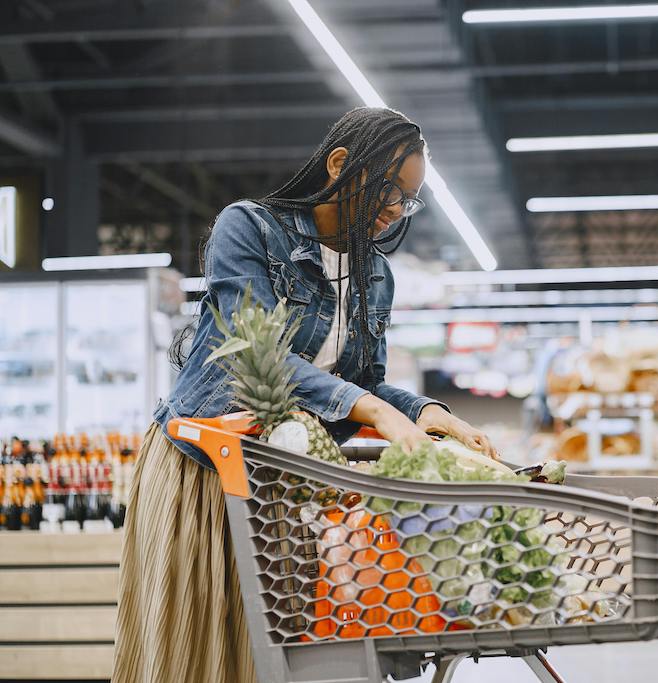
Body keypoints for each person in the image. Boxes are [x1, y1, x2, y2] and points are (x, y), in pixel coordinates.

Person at [112, 107, 496, 683]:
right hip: (207, 466)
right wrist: (374, 411)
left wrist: (431, 414)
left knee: (276, 652)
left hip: (288, 477)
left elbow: (361, 382)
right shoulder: (248, 229)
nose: (396, 209)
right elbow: (252, 350)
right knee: (202, 649)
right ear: (340, 164)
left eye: (409, 201)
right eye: (391, 190)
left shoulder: (374, 274)